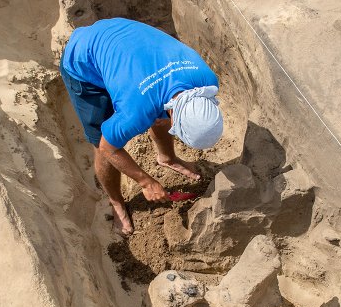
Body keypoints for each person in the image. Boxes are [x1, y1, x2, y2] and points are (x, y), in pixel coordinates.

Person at [60, 18, 223, 236]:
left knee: (158, 114)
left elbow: (163, 107)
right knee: (100, 143)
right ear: (174, 112)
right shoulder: (136, 109)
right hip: (84, 59)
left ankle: (167, 158)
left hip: (128, 44)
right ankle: (116, 201)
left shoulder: (206, 80)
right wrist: (145, 182)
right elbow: (108, 147)